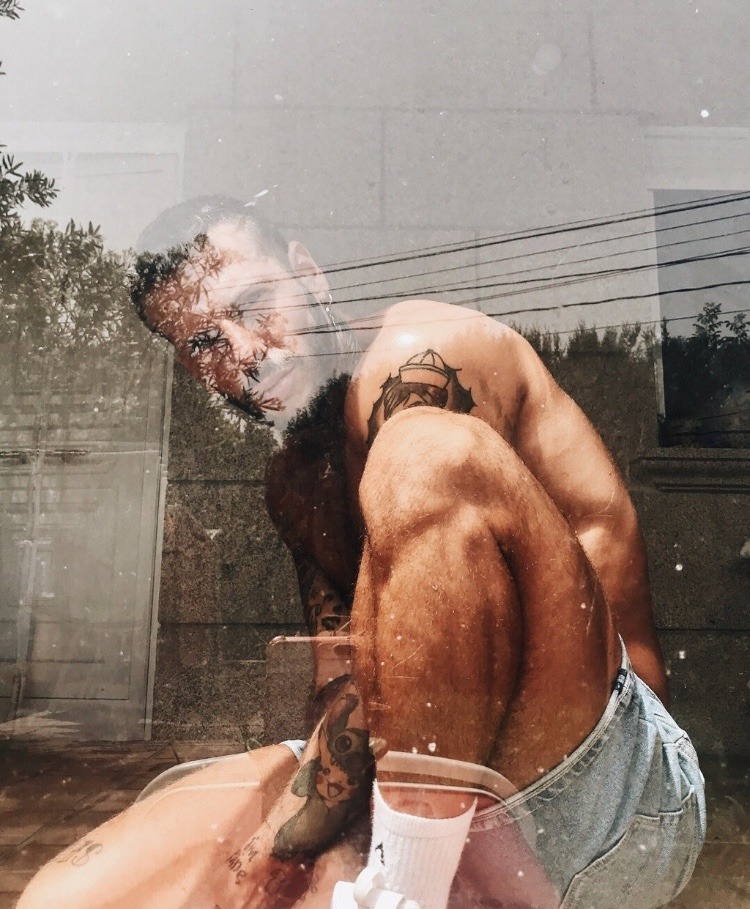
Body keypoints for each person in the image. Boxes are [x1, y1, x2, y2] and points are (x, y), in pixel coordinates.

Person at [18, 196, 705, 909]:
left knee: (425, 455)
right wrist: (305, 840)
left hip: (599, 787)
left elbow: (431, 577)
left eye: (254, 305)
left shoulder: (419, 352)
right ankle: (403, 867)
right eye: (205, 342)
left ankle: (403, 886)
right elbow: (349, 677)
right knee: (75, 896)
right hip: (425, 770)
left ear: (309, 275)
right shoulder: (294, 484)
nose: (244, 352)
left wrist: (286, 840)